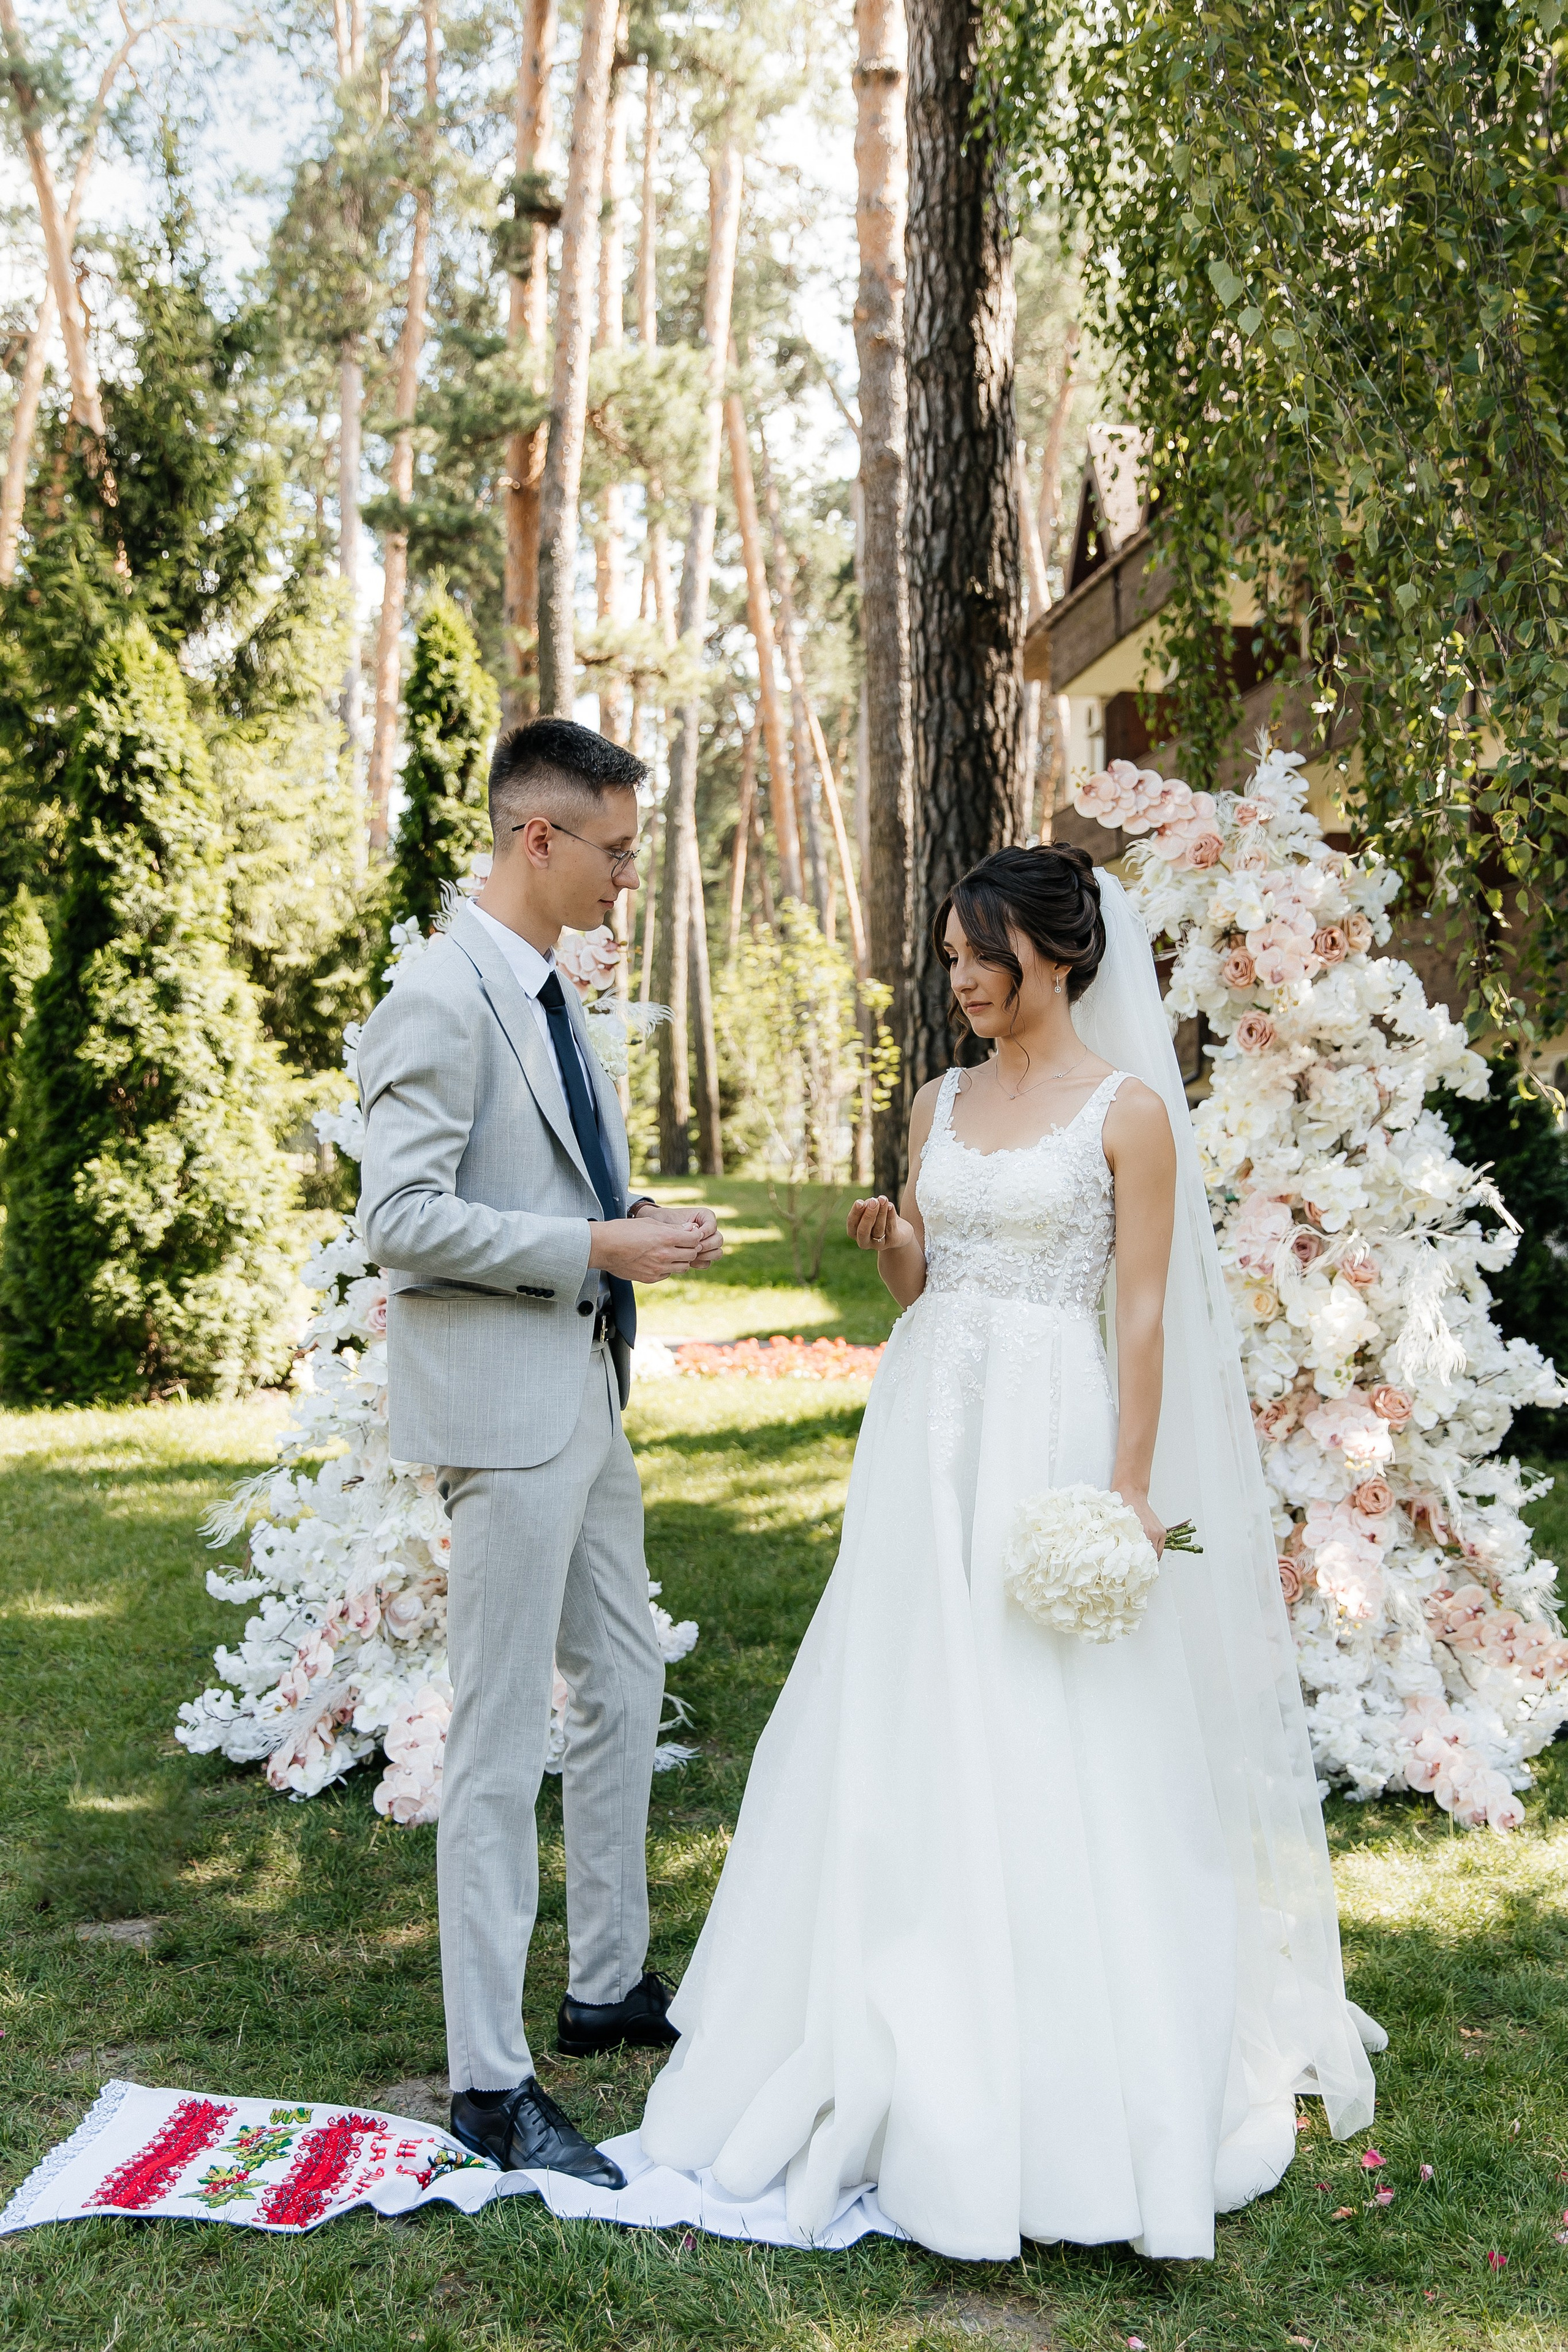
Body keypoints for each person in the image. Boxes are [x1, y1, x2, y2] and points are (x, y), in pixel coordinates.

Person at [626, 843, 1382, 2260]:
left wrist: (1127, 1491)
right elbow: (930, 1275)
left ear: (1057, 956)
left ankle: (1065, 2025)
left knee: (1045, 1704)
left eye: (981, 958)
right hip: (928, 1428)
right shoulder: (937, 1100)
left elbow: (1141, 1317)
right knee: (911, 1686)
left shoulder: (1128, 1112)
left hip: (1049, 1425)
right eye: (951, 961)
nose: (960, 983)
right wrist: (888, 1246)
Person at [356, 717, 722, 2187]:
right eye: (617, 849)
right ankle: (489, 2083)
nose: (629, 874)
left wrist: (636, 1235)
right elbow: (401, 1220)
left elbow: (558, 1176)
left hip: (581, 1387)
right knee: (500, 1737)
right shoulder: (437, 997)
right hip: (502, 1422)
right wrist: (589, 1244)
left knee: (626, 1675)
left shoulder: (553, 992)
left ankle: (607, 1982)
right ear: (537, 839)